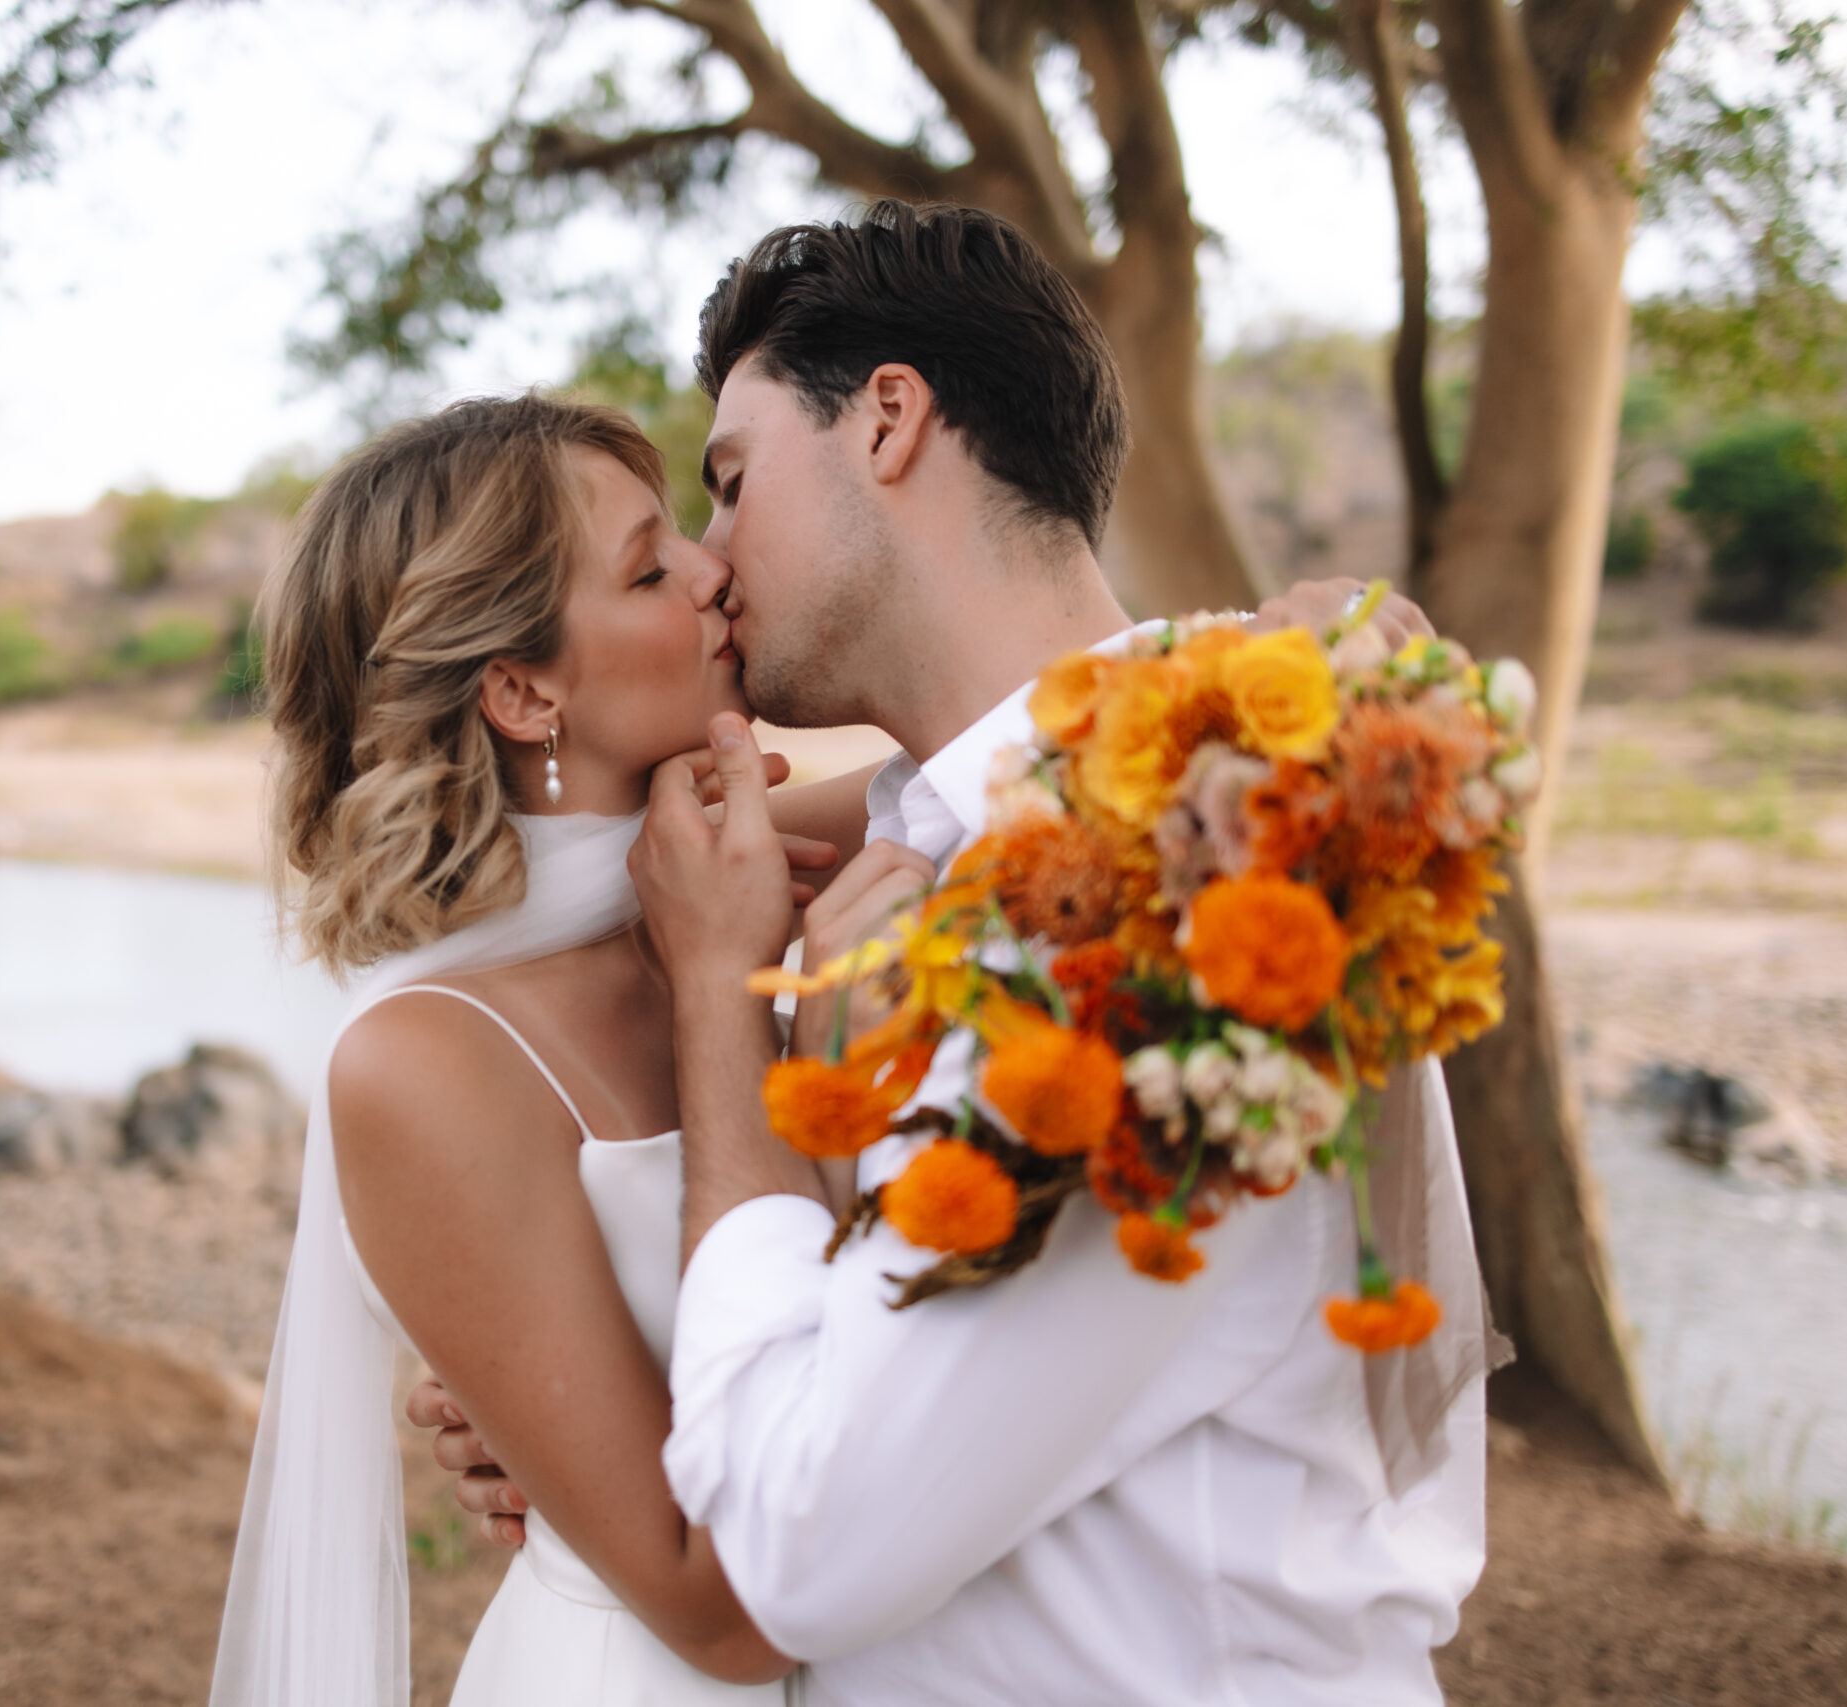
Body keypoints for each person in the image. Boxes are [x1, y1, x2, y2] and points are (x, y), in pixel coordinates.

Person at [420, 201, 1494, 1705]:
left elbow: (793, 1551)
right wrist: (591, 1404)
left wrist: (735, 1020)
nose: (714, 564)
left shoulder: (1172, 885)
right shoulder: (1000, 834)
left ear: (889, 420)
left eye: (730, 486)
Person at [210, 391, 884, 1707]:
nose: (714, 568)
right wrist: (717, 990)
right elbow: (724, 1615)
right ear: (522, 690)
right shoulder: (428, 1061)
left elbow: (1032, 754)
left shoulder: (728, 873)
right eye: (649, 567)